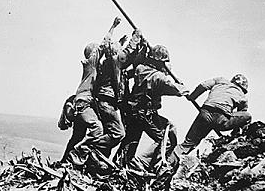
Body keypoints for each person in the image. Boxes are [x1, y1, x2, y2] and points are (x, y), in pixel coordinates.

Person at [117, 45, 189, 190]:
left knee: (131, 140)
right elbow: (178, 90)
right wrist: (181, 86)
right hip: (146, 113)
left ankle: (120, 167)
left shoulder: (140, 69)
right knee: (168, 136)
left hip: (132, 111)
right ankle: (141, 164)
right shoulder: (159, 78)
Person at [59, 17, 121, 163]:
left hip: (83, 103)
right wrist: (113, 27)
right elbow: (103, 44)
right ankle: (78, 152)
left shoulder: (92, 68)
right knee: (97, 128)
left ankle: (64, 161)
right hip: (84, 103)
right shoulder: (91, 63)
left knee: (77, 135)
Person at [93, 28, 143, 157]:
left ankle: (99, 161)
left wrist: (141, 51)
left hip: (106, 103)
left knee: (109, 133)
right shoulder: (114, 62)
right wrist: (136, 37)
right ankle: (88, 147)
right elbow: (127, 54)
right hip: (107, 103)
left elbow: (127, 72)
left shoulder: (109, 65)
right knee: (118, 134)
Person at [177, 74, 252, 155]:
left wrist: (192, 97)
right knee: (247, 116)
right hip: (221, 120)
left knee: (187, 144)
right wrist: (235, 133)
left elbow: (203, 86)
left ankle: (171, 158)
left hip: (205, 114)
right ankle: (234, 137)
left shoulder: (220, 80)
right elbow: (241, 115)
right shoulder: (242, 96)